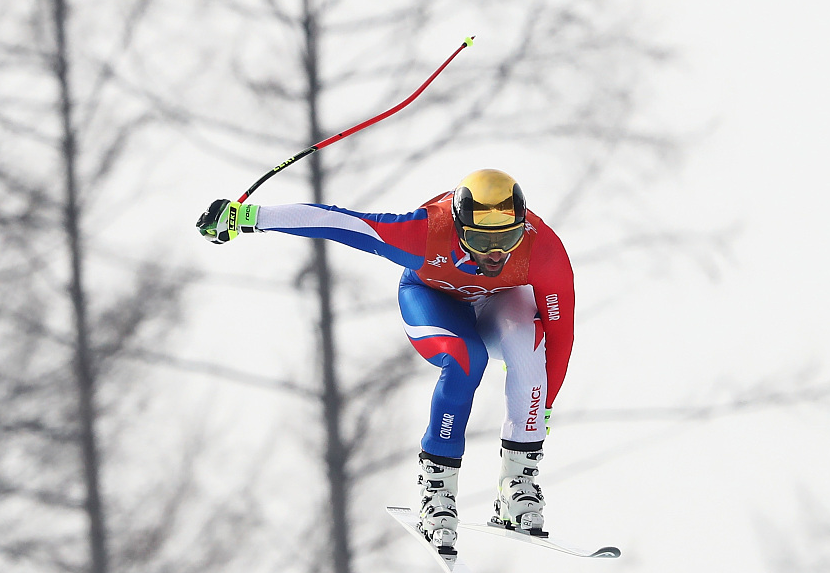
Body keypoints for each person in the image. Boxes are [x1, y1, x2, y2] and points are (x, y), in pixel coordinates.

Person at [197, 169, 575, 559]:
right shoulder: (426, 234)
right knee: (467, 358)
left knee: (530, 341)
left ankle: (518, 484)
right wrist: (249, 217)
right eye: (481, 240)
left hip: (499, 302)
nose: (496, 254)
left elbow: (562, 336)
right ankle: (438, 491)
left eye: (508, 238)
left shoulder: (541, 248)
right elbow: (338, 222)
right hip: (434, 300)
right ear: (461, 229)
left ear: (523, 225)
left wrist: (542, 409)